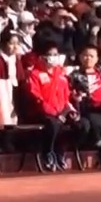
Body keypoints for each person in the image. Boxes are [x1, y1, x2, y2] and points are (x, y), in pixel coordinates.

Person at [23, 38, 77, 171]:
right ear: (41, 57)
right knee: (54, 124)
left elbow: (66, 95)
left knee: (81, 124)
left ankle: (61, 151)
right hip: (42, 113)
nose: (53, 57)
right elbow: (36, 97)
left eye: (55, 54)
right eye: (50, 54)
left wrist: (70, 110)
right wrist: (55, 113)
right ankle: (47, 152)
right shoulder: (34, 75)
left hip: (61, 111)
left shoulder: (61, 74)